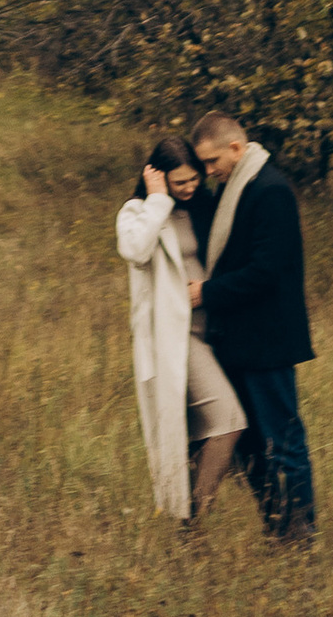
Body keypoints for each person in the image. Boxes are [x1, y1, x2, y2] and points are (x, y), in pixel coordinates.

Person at [190, 109, 315, 543]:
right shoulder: (233, 188)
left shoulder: (270, 190)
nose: (208, 171)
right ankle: (277, 527)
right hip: (238, 341)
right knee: (250, 445)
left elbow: (267, 272)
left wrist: (207, 293)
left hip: (269, 341)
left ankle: (301, 533)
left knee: (284, 440)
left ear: (235, 148)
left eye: (212, 161)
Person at [113, 136, 246, 523]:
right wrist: (158, 200)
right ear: (158, 177)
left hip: (212, 332)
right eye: (179, 182)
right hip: (177, 338)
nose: (189, 187)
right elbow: (134, 250)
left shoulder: (203, 207)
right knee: (229, 421)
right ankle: (194, 522)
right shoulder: (138, 212)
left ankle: (187, 521)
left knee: (198, 433)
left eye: (193, 179)